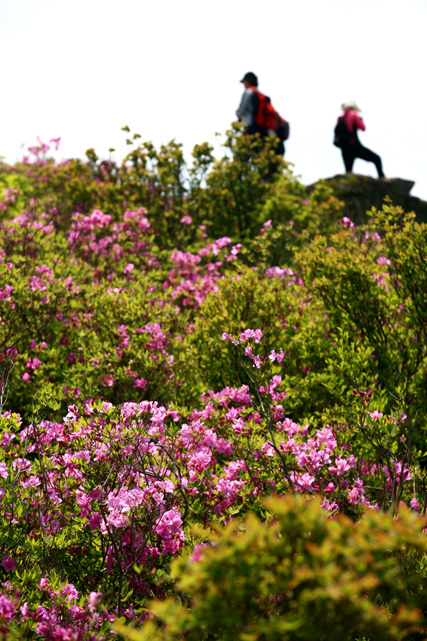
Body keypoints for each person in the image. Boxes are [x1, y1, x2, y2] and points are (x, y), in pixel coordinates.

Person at [236, 72, 285, 156]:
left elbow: (240, 112)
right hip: (262, 130)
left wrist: (238, 118)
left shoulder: (249, 92)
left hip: (251, 129)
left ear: (247, 82)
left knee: (242, 154)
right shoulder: (261, 96)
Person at [337, 100, 385, 178]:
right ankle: (382, 178)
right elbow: (363, 127)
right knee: (377, 159)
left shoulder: (340, 118)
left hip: (344, 149)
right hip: (355, 146)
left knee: (348, 172)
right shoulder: (353, 115)